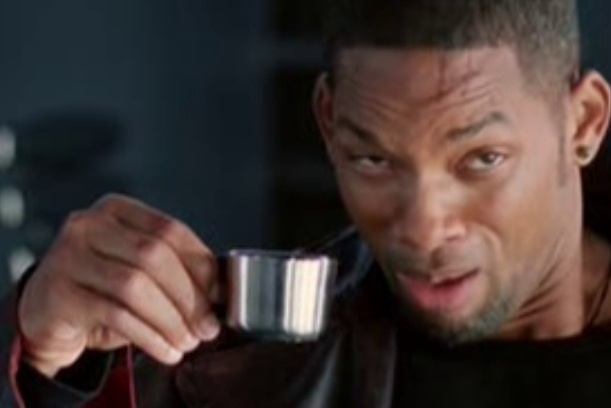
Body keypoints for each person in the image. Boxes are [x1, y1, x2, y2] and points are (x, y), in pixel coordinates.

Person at [2, 0, 611, 406]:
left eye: (482, 158)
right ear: (329, 124)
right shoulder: (249, 374)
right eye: (373, 160)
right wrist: (46, 361)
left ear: (583, 122)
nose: (423, 230)